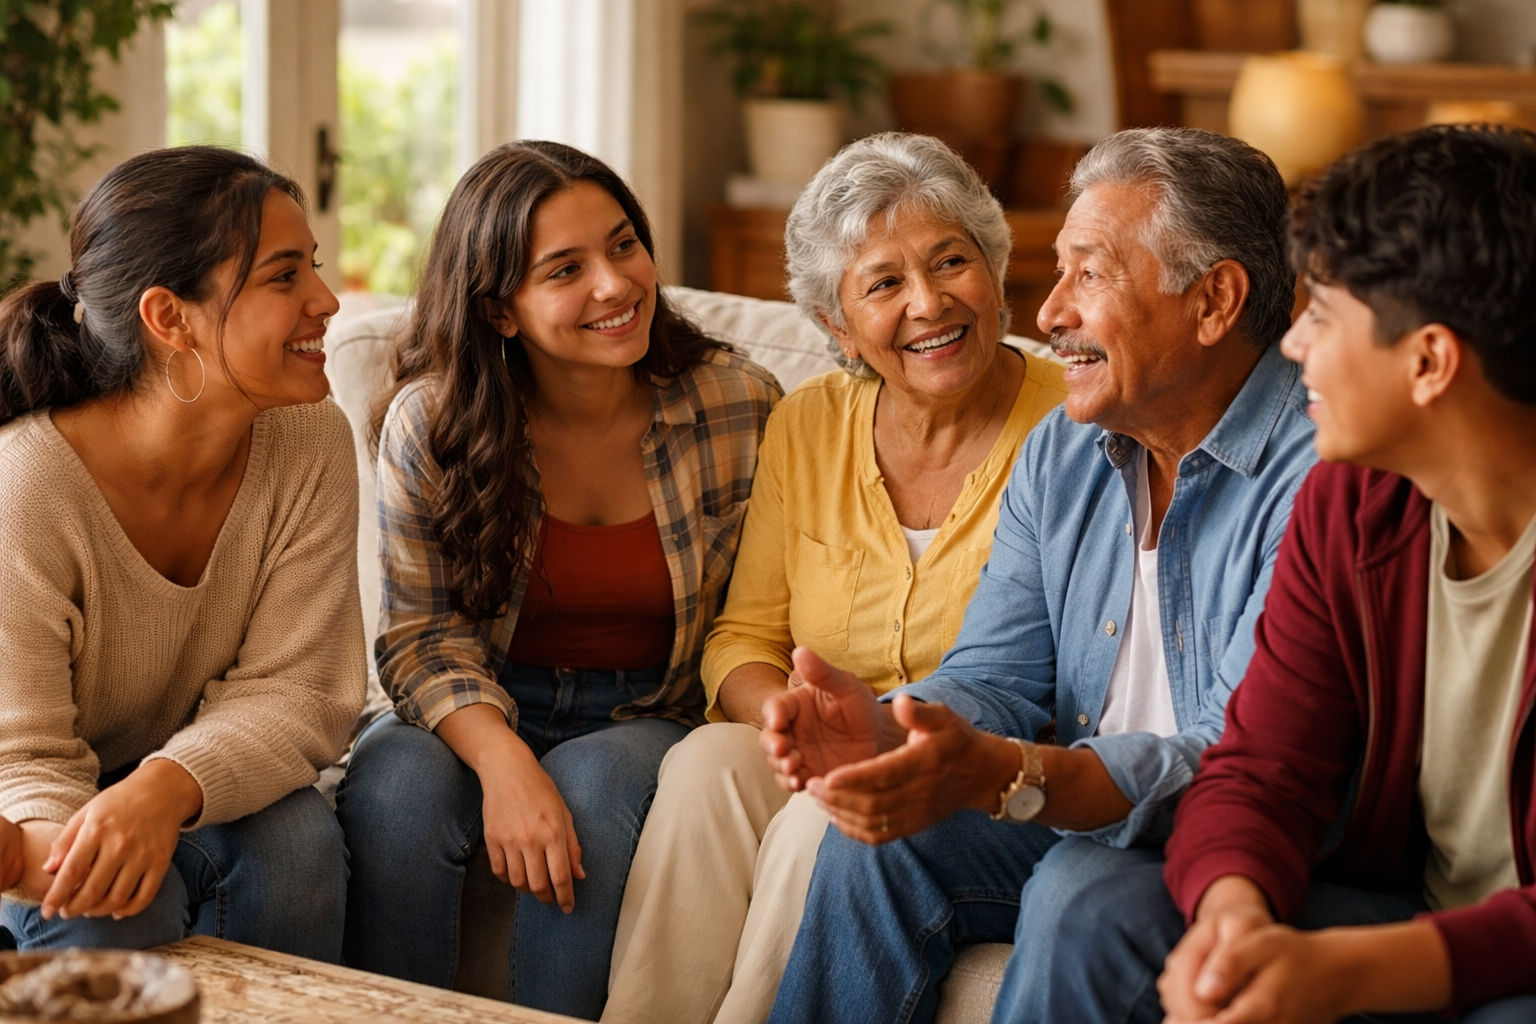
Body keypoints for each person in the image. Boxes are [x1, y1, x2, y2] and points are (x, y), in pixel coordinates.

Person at [759, 127, 1320, 1024]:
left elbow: (1237, 765)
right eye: (1057, 271)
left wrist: (1015, 773)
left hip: (1245, 841)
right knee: (879, 840)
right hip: (1087, 803)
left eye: (1089, 274)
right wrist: (886, 726)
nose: (1050, 311)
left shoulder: (1321, 472)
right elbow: (994, 677)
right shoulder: (1065, 449)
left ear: (1214, 301)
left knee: (1078, 883)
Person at [1046, 125, 1536, 1024]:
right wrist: (1233, 914)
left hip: (1506, 961)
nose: (1295, 346)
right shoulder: (1351, 508)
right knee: (1098, 913)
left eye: (1325, 315)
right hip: (1403, 905)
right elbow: (1263, 768)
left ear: (1428, 362)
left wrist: (1358, 972)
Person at [603, 133, 1069, 1024]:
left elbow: (1065, 678)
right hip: (822, 733)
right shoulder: (811, 421)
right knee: (707, 762)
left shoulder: (1074, 426)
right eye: (884, 284)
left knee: (832, 815)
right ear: (835, 326)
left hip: (969, 770)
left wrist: (867, 749)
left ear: (996, 267)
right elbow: (744, 637)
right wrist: (784, 720)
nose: (929, 303)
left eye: (950, 262)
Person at [335, 141, 780, 1020]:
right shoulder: (434, 421)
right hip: (473, 696)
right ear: (500, 309)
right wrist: (503, 762)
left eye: (624, 245)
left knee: (598, 794)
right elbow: (417, 635)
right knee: (395, 793)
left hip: (647, 709)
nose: (616, 285)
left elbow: (766, 607)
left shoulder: (737, 402)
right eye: (565, 269)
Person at [0, 147, 363, 958]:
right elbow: (21, 754)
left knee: (297, 839)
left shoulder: (309, 439)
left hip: (177, 775)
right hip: (29, 804)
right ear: (169, 318)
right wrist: (85, 844)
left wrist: (165, 789)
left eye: (315, 266)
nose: (327, 300)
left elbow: (301, 686)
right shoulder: (28, 484)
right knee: (119, 906)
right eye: (283, 277)